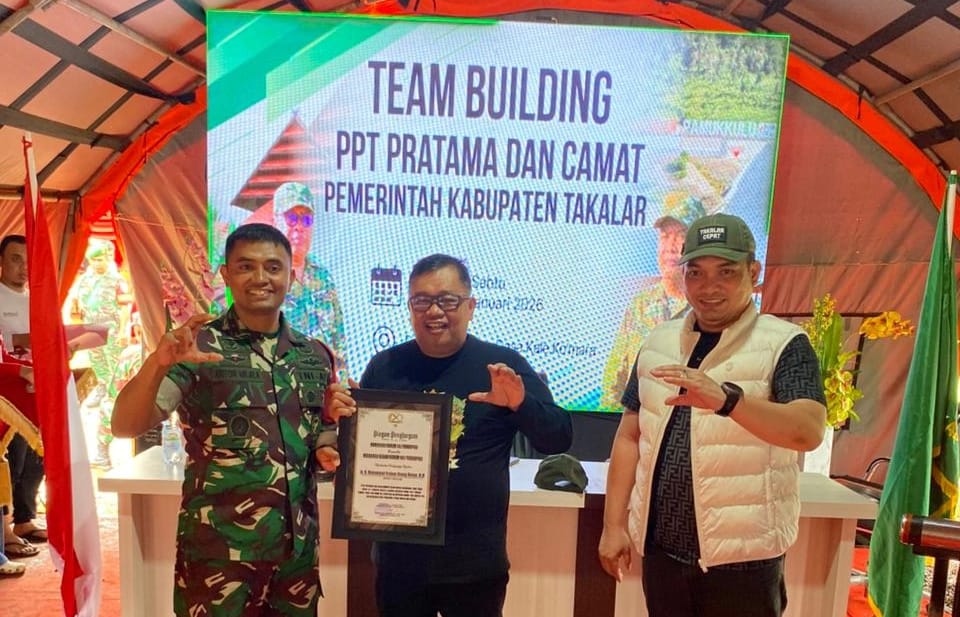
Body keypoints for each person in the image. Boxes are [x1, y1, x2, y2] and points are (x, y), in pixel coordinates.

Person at [111, 223, 355, 617]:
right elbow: (126, 425)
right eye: (246, 267)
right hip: (219, 557)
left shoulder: (314, 356)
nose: (261, 278)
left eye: (273, 267)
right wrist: (157, 365)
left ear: (291, 276)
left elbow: (320, 436)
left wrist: (329, 439)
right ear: (225, 275)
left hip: (295, 558)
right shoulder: (197, 348)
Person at [598, 213, 827, 617]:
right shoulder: (657, 340)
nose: (709, 287)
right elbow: (630, 436)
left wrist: (728, 401)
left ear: (753, 272)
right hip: (664, 555)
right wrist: (613, 525)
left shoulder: (784, 343)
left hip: (744, 562)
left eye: (726, 272)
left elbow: (807, 431)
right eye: (696, 273)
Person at [357, 253, 573, 617]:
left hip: (475, 565)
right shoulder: (385, 367)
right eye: (422, 301)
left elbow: (559, 437)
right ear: (410, 307)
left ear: (470, 306)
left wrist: (521, 404)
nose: (434, 311)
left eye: (447, 300)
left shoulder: (501, 366)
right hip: (400, 563)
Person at [601, 197, 706, 408]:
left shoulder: (709, 309)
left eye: (681, 236)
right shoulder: (640, 305)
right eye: (665, 237)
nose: (670, 247)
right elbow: (614, 382)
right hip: (635, 422)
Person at [272, 181, 348, 379]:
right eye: (291, 218)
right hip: (277, 388)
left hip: (322, 389)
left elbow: (338, 341)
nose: (299, 227)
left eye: (306, 219)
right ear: (275, 220)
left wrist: (342, 387)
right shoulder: (263, 277)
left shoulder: (323, 277)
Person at [0, 235, 46, 557]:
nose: (23, 267)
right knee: (12, 457)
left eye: (29, 261)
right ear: (1, 262)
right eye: (16, 259)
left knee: (36, 456)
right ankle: (4, 529)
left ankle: (25, 519)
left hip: (35, 384)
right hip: (8, 390)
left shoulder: (35, 300)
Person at [70, 239, 132, 468]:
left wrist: (124, 330)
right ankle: (103, 386)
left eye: (100, 259)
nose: (97, 263)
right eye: (93, 260)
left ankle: (114, 390)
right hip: (92, 329)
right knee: (97, 363)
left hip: (112, 329)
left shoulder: (116, 280)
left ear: (108, 257)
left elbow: (125, 306)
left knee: (115, 365)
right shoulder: (86, 279)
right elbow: (78, 304)